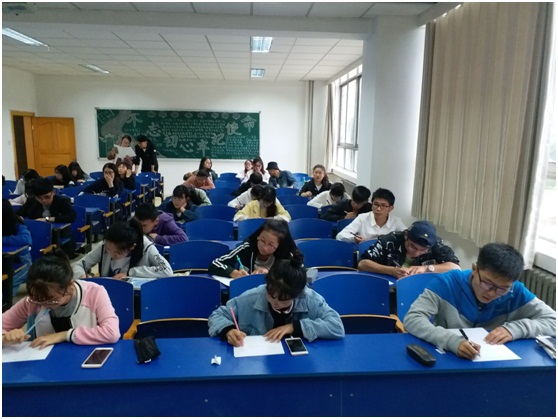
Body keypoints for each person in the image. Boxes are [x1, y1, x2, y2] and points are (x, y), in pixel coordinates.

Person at [404, 243, 556, 360]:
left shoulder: (515, 291)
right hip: (447, 357)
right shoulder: (446, 283)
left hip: (493, 362)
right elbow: (413, 318)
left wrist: (514, 329)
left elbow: (553, 321)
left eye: (502, 289)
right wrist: (450, 340)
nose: (492, 293)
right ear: (475, 269)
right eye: (487, 284)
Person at [208, 253, 345, 346]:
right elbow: (217, 315)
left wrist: (294, 327)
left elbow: (337, 327)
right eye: (270, 295)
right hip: (257, 362)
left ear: (297, 295)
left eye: (283, 299)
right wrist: (228, 330)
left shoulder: (310, 300)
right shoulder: (251, 298)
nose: (275, 302)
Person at [2, 251, 120, 348]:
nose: (44, 304)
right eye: (38, 299)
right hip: (44, 363)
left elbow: (112, 332)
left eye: (51, 299)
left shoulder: (94, 293)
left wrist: (64, 335)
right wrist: (5, 338)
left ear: (70, 285)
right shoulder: (33, 300)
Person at [73, 219, 173, 279]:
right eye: (108, 250)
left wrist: (130, 273)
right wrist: (82, 275)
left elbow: (167, 270)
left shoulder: (146, 247)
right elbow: (78, 265)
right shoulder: (104, 246)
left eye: (117, 253)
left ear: (132, 247)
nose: (111, 254)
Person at [358, 220, 461, 278]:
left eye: (423, 250)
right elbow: (362, 264)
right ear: (406, 236)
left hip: (420, 291)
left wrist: (427, 268)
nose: (416, 253)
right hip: (389, 290)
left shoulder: (435, 244)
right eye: (412, 247)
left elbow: (455, 268)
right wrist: (392, 271)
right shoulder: (390, 240)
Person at [209, 219, 297, 278]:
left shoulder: (285, 253)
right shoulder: (247, 247)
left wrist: (270, 271)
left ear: (278, 245)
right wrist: (234, 273)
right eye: (262, 241)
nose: (265, 248)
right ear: (258, 236)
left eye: (271, 245)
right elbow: (216, 263)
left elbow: (298, 272)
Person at [336, 188, 407, 243]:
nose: (378, 209)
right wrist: (354, 239)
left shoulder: (396, 222)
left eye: (383, 205)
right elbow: (340, 236)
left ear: (390, 208)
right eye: (376, 204)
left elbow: (408, 236)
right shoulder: (362, 218)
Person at [2, 199, 32, 296]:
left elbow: (26, 239)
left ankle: (5, 300)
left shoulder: (16, 223)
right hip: (4, 259)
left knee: (8, 284)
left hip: (22, 261)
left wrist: (2, 239)